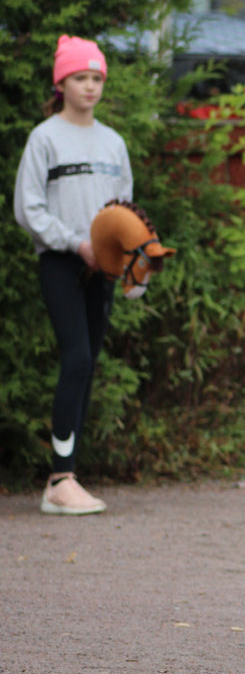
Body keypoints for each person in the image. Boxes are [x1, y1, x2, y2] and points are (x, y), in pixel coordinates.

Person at [14, 35, 132, 515]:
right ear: (61, 82)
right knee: (77, 359)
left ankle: (69, 476)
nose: (90, 86)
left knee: (88, 367)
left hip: (102, 266)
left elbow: (124, 211)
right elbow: (28, 209)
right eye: (80, 77)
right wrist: (74, 242)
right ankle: (59, 480)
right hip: (63, 262)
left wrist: (126, 260)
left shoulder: (113, 142)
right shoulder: (45, 137)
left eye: (97, 78)